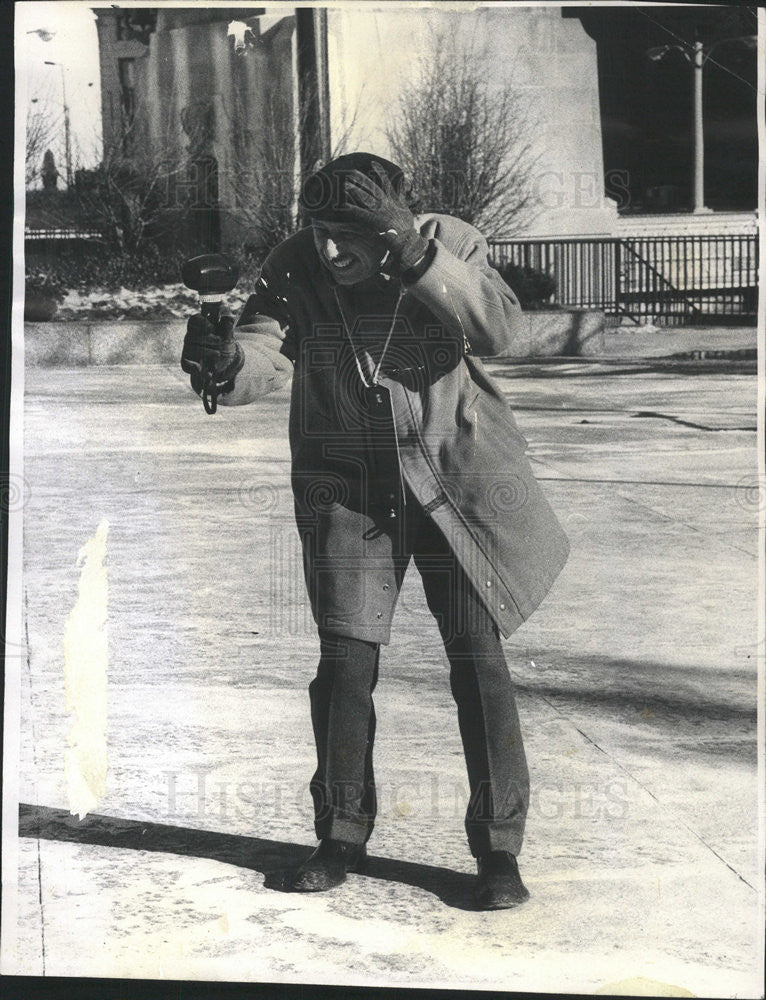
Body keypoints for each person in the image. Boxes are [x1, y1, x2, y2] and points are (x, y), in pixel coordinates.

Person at [181, 152, 569, 909]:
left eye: (349, 233)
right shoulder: (297, 263)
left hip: (458, 478)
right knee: (346, 665)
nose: (330, 250)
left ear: (389, 222)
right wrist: (227, 361)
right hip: (351, 488)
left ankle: (498, 850)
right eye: (320, 231)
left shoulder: (449, 241)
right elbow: (265, 347)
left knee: (477, 659)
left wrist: (414, 252)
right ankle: (341, 833)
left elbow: (498, 327)